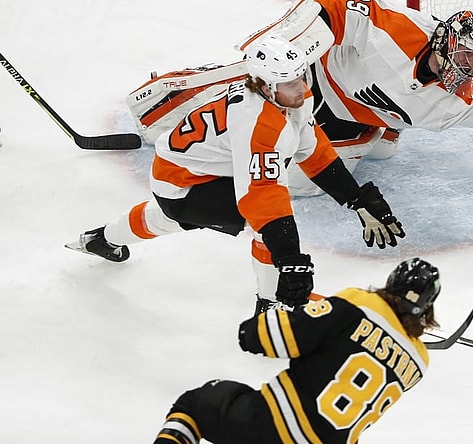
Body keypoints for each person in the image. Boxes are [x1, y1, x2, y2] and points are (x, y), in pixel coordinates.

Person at [66, 35, 405, 311]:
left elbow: (313, 151)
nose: (301, 88)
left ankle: (101, 239)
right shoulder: (260, 124)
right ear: (265, 86)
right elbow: (263, 198)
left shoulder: (287, 99)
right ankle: (273, 304)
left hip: (185, 173)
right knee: (264, 226)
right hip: (183, 184)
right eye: (288, 82)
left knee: (170, 218)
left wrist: (356, 199)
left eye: (301, 76)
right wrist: (291, 263)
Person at [126, 0, 473, 196]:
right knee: (164, 108)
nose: (466, 65)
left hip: (350, 122)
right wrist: (287, 43)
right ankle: (189, 88)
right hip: (307, 79)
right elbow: (334, 8)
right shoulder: (399, 32)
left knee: (304, 185)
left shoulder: (462, 98)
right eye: (460, 52)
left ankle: (373, 138)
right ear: (441, 40)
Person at [152, 257, 441, 444]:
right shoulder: (419, 362)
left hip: (275, 425)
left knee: (198, 404)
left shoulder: (360, 302)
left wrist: (256, 326)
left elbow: (268, 338)